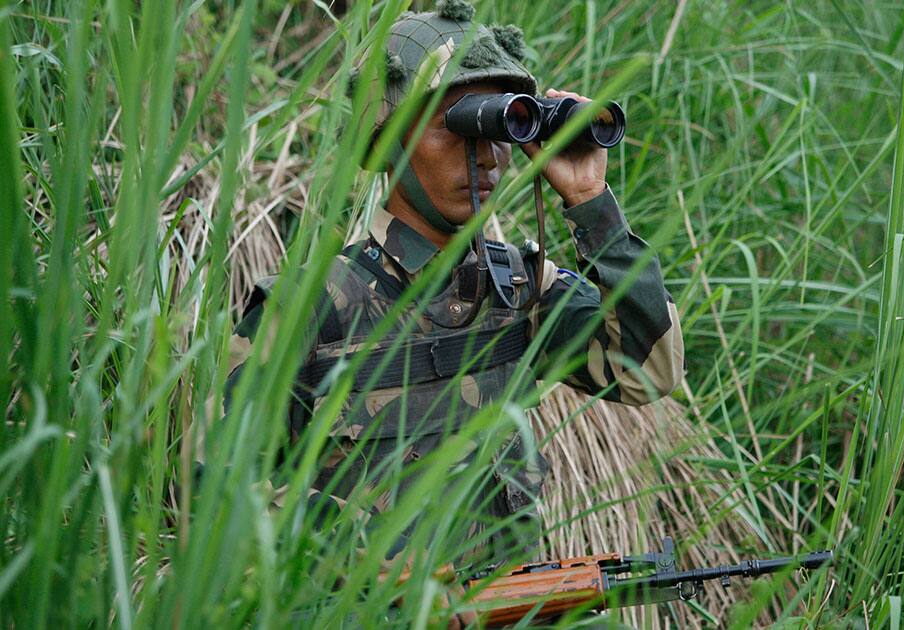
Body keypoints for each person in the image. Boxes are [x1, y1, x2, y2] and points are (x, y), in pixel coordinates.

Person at [224, 0, 684, 576]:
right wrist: (370, 569)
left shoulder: (518, 289)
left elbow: (651, 372)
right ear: (385, 141)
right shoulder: (307, 308)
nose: (487, 156)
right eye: (458, 126)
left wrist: (593, 204)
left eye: (503, 127)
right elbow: (216, 490)